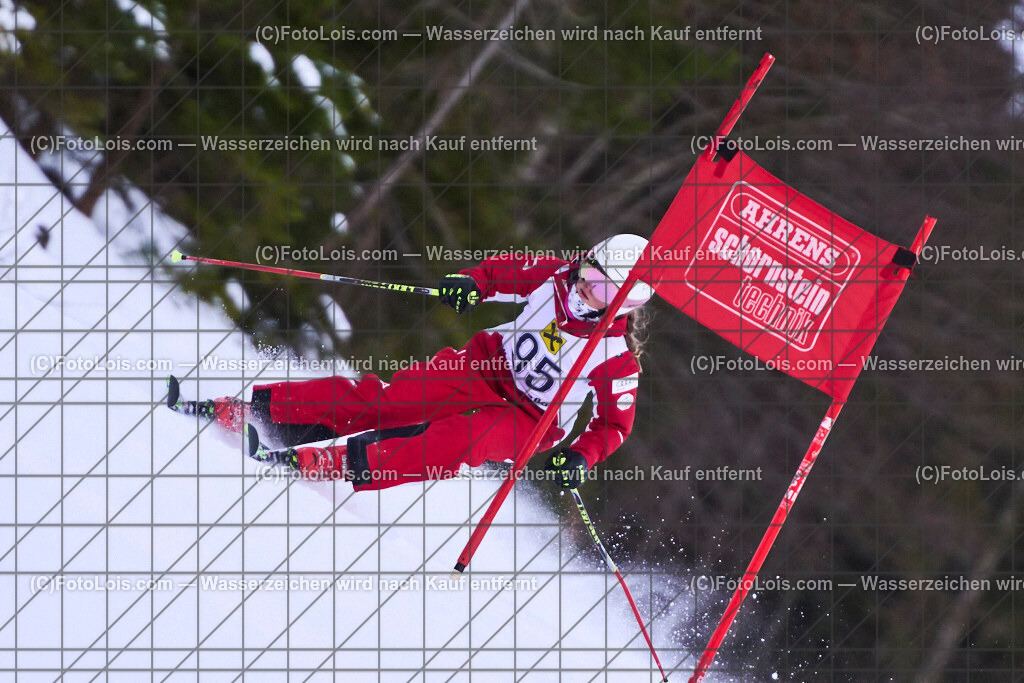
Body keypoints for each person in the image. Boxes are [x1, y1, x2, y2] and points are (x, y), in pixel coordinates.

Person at [175, 234, 653, 492]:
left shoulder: (615, 360)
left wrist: (581, 456)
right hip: (484, 366)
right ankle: (261, 412)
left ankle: (337, 461)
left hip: (528, 418)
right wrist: (469, 283)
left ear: (626, 304)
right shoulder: (554, 276)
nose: (589, 289)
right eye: (591, 272)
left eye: (606, 290)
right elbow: (495, 273)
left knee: (458, 439)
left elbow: (614, 426)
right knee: (390, 401)